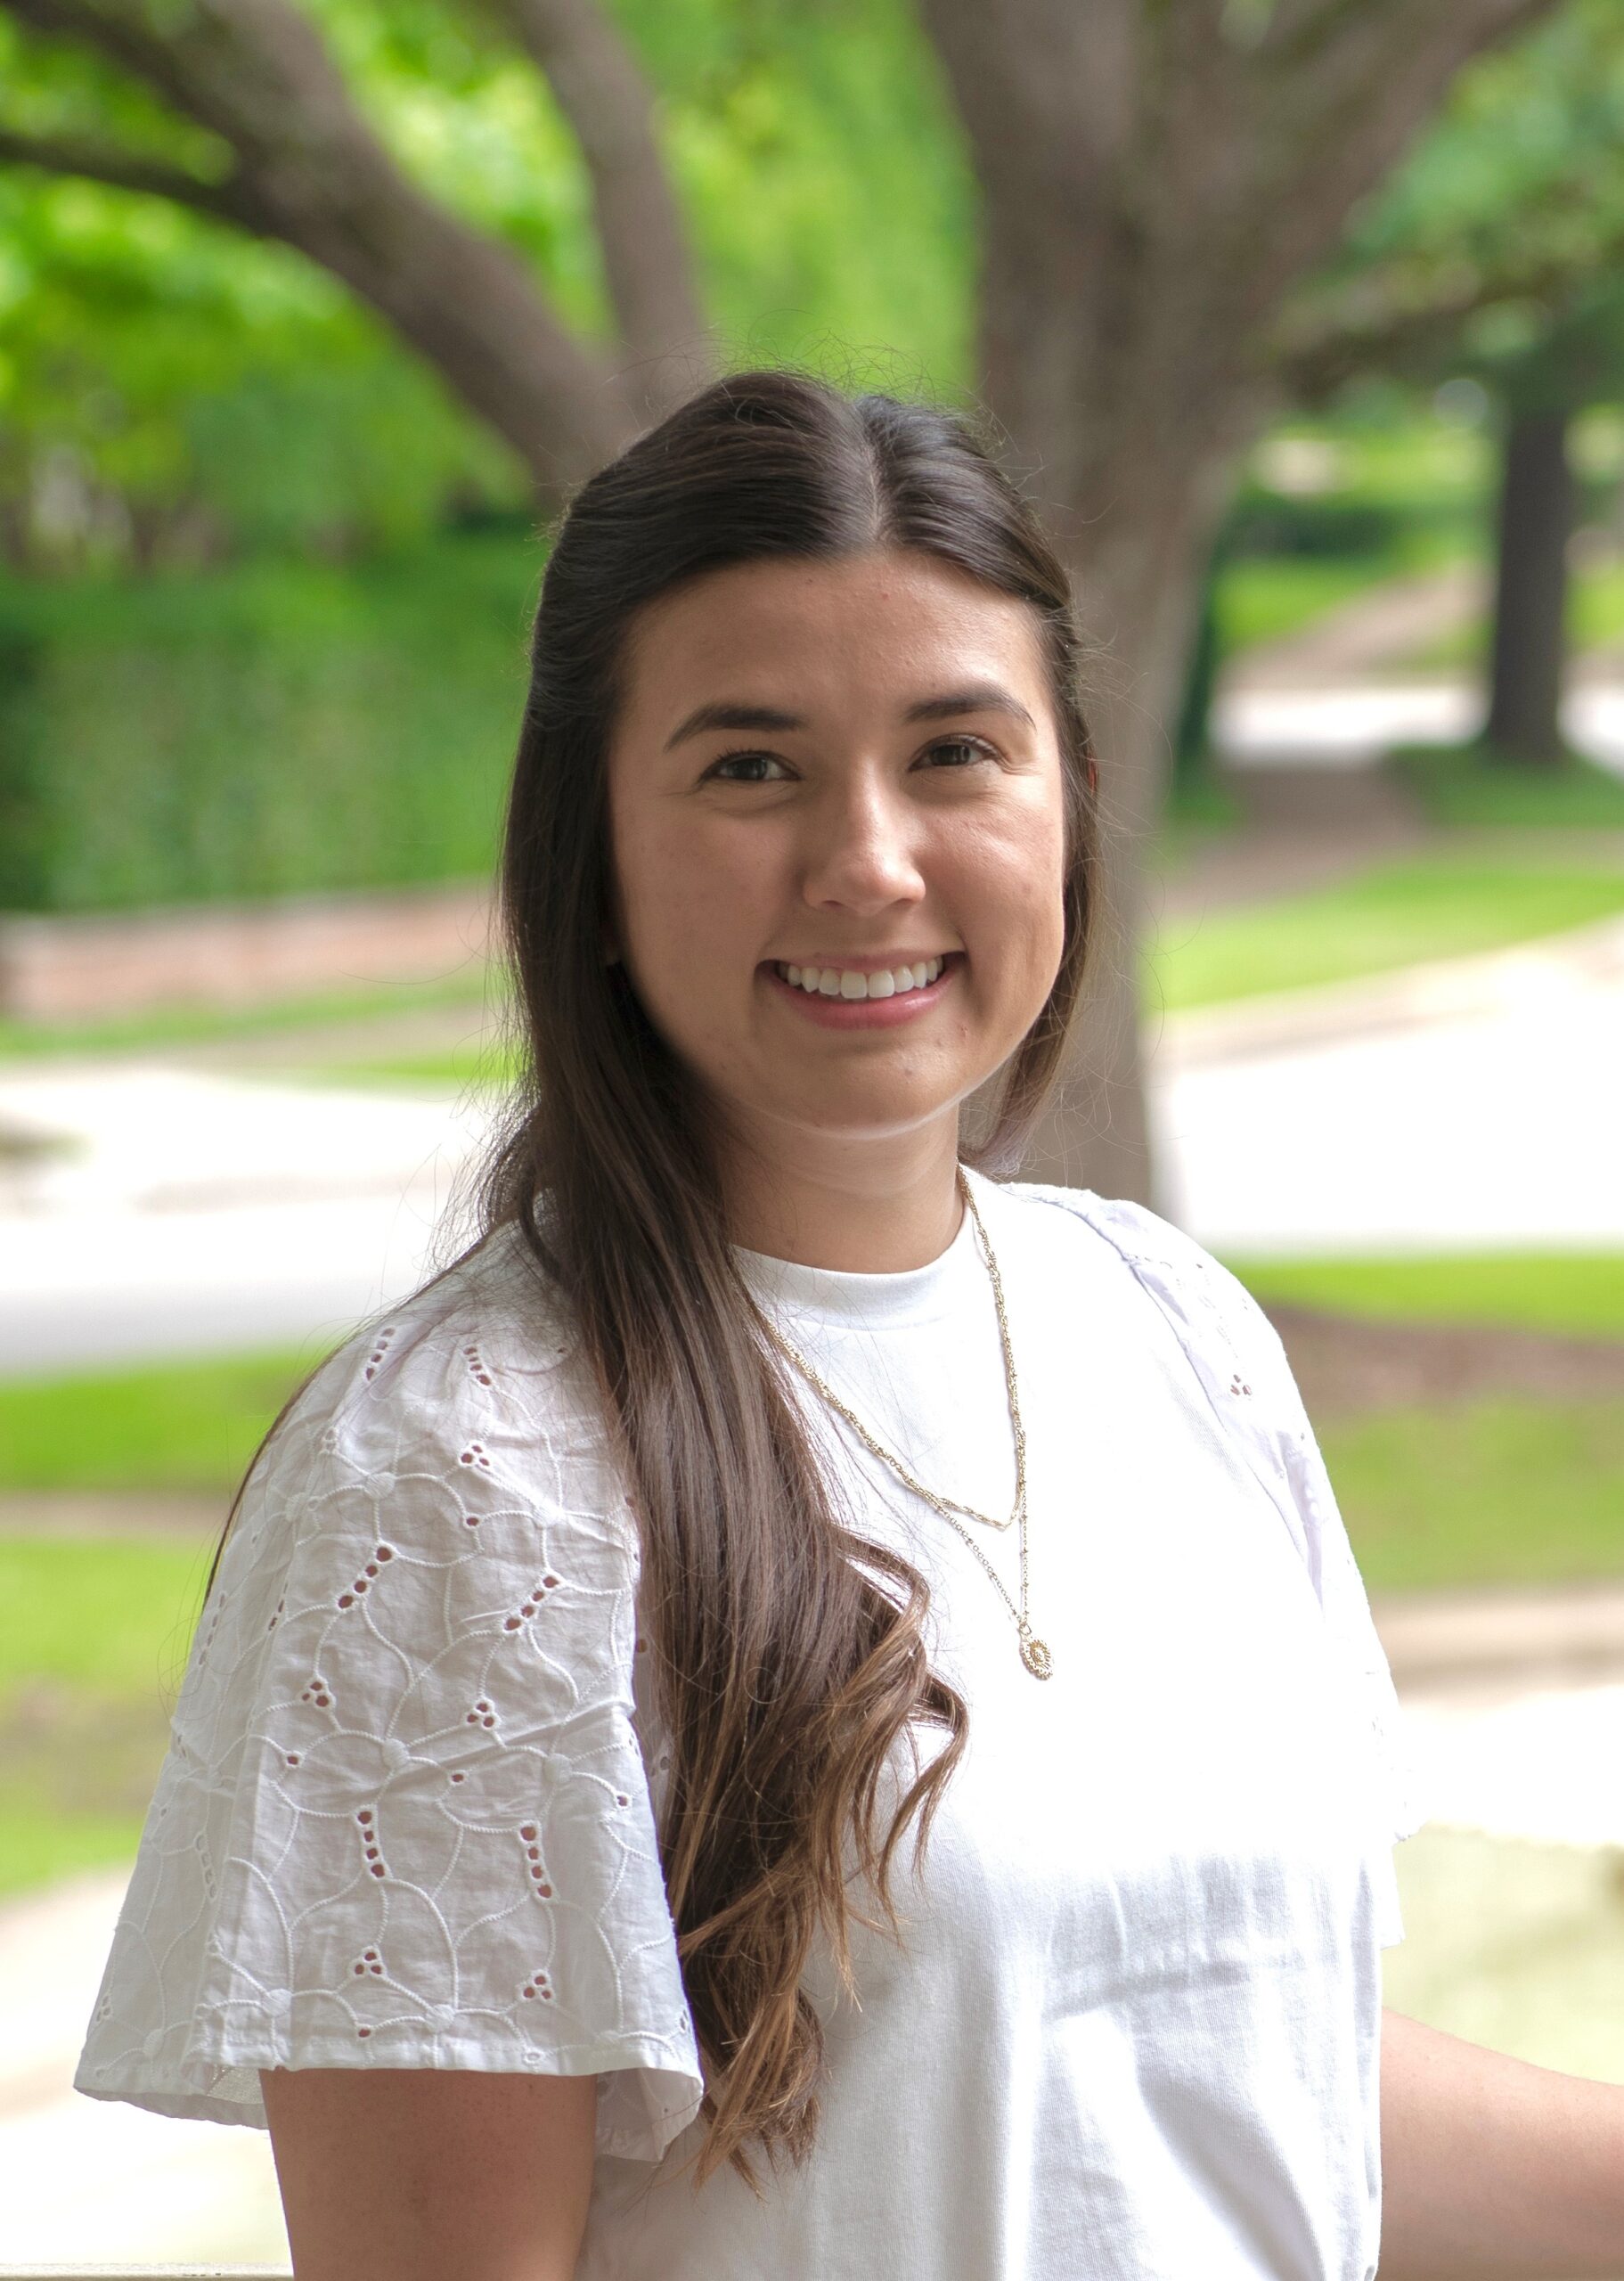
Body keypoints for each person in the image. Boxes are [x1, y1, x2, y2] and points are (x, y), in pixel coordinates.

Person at [72, 365, 1424, 2278]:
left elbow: (1244, 2074)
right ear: (596, 856)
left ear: (1069, 802)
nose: (869, 858)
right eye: (752, 764)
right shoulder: (466, 1473)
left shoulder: (1170, 1327)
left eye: (957, 751)